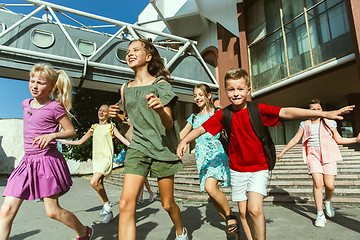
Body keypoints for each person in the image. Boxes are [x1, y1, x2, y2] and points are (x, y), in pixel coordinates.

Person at [177, 68, 354, 240]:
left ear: (248, 90)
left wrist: (324, 113)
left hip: (258, 167)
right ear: (225, 91)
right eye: (231, 89)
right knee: (244, 213)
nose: (236, 93)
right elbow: (201, 129)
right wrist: (185, 140)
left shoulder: (257, 109)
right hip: (237, 170)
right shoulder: (224, 114)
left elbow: (286, 112)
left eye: (240, 88)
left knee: (254, 209)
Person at [0, 63, 93, 240]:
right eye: (32, 81)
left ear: (51, 86)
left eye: (40, 83)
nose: (34, 85)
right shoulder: (25, 104)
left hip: (46, 162)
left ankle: (83, 231)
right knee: (6, 209)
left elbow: (71, 131)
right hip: (26, 163)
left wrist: (52, 135)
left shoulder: (54, 107)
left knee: (52, 211)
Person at [108, 38, 188, 240]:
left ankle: (181, 232)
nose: (130, 54)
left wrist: (161, 109)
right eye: (128, 51)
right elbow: (126, 118)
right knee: (125, 203)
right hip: (138, 147)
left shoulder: (161, 85)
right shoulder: (125, 88)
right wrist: (114, 114)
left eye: (135, 50)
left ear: (148, 56)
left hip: (162, 148)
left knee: (167, 204)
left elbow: (169, 124)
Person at [276, 99, 360, 227]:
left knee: (330, 185)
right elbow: (295, 139)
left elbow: (339, 139)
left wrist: (356, 139)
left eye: (318, 108)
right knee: (317, 182)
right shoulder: (305, 124)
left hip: (329, 155)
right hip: (313, 155)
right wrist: (282, 152)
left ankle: (327, 201)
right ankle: (320, 214)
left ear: (322, 110)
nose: (316, 111)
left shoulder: (329, 122)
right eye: (313, 109)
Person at [179, 84, 236, 236]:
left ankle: (230, 217)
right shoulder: (193, 118)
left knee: (211, 188)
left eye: (200, 94)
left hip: (216, 154)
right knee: (211, 193)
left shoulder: (218, 113)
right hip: (202, 158)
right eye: (195, 95)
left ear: (209, 95)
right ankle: (232, 226)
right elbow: (181, 135)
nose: (197, 98)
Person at [62, 104, 130, 224]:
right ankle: (109, 213)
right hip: (97, 160)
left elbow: (122, 139)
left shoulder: (111, 127)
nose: (101, 112)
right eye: (100, 110)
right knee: (99, 185)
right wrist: (61, 141)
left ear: (108, 114)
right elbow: (79, 141)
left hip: (106, 159)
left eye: (104, 111)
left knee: (93, 182)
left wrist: (134, 145)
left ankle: (107, 204)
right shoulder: (93, 128)